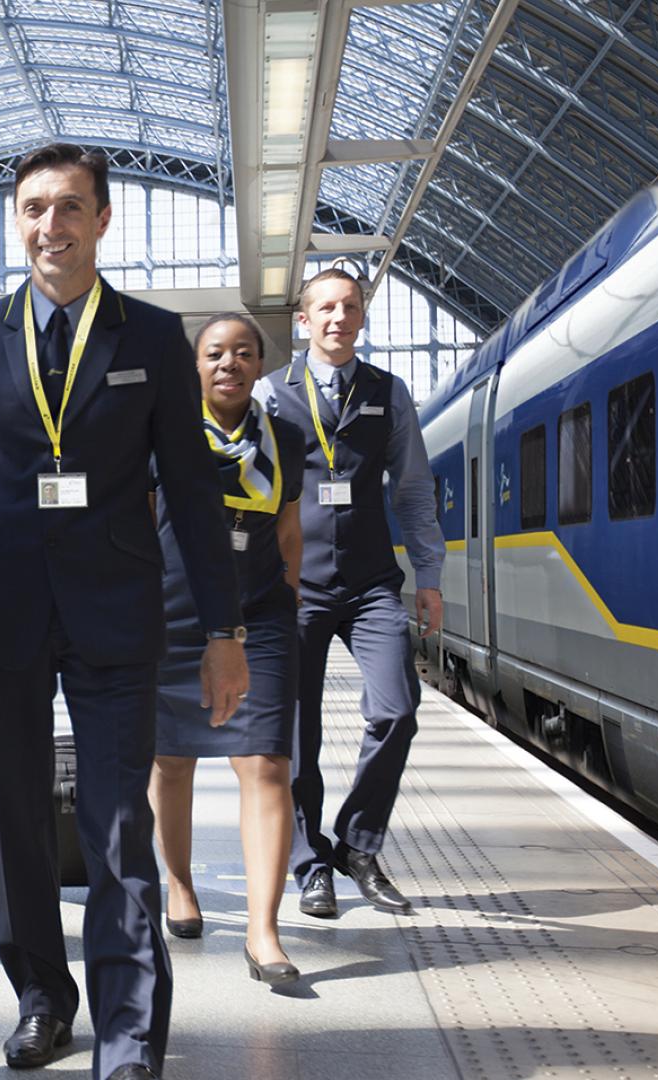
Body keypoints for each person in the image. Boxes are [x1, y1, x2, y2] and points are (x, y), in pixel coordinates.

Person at [0, 143, 250, 1080]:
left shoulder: (151, 338)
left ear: (103, 221)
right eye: (34, 208)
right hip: (0, 611)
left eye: (70, 208)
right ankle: (41, 997)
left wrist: (224, 634)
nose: (51, 226)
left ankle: (130, 1032)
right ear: (15, 221)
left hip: (116, 611)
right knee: (17, 816)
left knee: (118, 826)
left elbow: (193, 491)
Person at [255, 267, 444, 920]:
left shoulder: (388, 394)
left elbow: (414, 491)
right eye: (325, 308)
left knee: (396, 708)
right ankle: (311, 865)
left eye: (350, 307)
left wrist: (430, 578)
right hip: (295, 588)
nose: (339, 317)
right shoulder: (270, 394)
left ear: (362, 317)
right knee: (297, 734)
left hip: (370, 586)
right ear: (303, 321)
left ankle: (358, 844)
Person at [147, 314, 304, 988]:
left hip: (258, 618)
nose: (230, 364)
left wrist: (285, 605)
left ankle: (263, 929)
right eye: (216, 353)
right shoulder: (163, 437)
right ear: (196, 365)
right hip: (169, 618)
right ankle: (179, 886)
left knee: (266, 764)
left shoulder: (287, 440)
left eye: (244, 353)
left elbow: (290, 532)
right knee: (171, 761)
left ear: (259, 365)